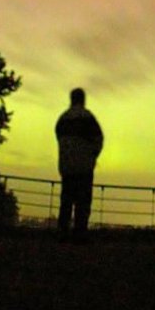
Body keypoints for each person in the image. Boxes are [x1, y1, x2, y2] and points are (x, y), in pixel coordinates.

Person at [55, 88, 103, 243]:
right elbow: (98, 139)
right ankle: (80, 233)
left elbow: (59, 138)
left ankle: (62, 232)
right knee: (83, 202)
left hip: (66, 165)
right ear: (83, 99)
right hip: (84, 166)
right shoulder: (88, 118)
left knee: (66, 200)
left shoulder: (62, 119)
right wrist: (92, 156)